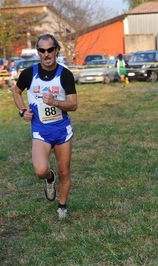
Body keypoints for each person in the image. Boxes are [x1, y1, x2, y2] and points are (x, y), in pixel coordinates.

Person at [12, 33, 78, 220]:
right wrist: (22, 111)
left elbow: (73, 105)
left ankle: (62, 207)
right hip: (40, 131)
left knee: (64, 171)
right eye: (42, 50)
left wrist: (56, 102)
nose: (46, 54)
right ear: (38, 52)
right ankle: (49, 178)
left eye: (50, 50)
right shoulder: (29, 74)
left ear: (56, 50)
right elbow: (16, 92)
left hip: (62, 130)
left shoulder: (65, 74)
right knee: (40, 170)